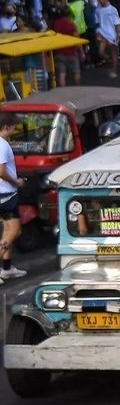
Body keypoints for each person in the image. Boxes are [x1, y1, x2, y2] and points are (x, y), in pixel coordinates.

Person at [0, 112, 25, 281]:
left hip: (3, 194)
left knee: (10, 230)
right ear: (6, 127)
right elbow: (1, 171)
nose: (14, 130)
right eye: (13, 127)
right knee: (13, 231)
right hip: (6, 194)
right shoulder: (2, 145)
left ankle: (7, 268)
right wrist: (16, 181)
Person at [50, 8, 82, 86]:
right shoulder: (71, 24)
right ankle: (78, 89)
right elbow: (76, 39)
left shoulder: (55, 23)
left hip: (59, 52)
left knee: (61, 74)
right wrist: (81, 51)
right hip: (71, 52)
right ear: (69, 15)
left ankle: (63, 93)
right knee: (76, 72)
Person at [94, 0, 120, 78]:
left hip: (111, 34)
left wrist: (118, 35)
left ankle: (113, 71)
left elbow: (117, 23)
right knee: (101, 52)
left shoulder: (112, 9)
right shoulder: (98, 10)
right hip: (102, 34)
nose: (100, 0)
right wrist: (97, 33)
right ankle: (110, 62)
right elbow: (97, 23)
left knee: (113, 53)